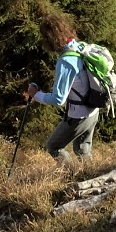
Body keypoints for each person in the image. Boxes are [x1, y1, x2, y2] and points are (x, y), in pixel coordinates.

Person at [25, 15, 98, 163]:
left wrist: (36, 94)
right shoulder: (79, 46)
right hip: (93, 109)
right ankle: (91, 177)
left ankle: (71, 176)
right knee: (83, 151)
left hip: (79, 116)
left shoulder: (66, 61)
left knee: (54, 146)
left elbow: (58, 99)